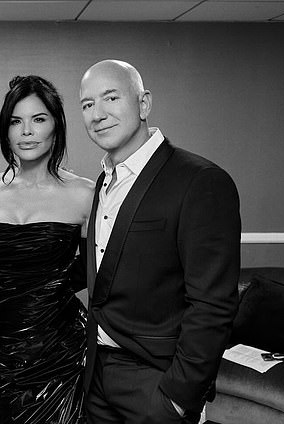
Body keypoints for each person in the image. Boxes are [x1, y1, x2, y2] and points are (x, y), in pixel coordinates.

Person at [76, 59, 241, 423]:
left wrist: (177, 398)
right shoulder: (103, 182)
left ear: (144, 103)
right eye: (87, 105)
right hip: (97, 376)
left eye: (110, 98)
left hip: (155, 384)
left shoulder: (200, 181)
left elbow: (213, 305)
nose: (97, 114)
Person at [0, 75, 94, 423]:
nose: (27, 131)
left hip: (59, 349)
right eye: (16, 121)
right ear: (6, 131)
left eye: (38, 119)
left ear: (56, 126)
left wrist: (45, 293)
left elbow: (95, 268)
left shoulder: (85, 194)